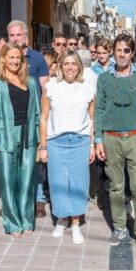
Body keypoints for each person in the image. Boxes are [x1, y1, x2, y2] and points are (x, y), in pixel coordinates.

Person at [94, 34, 136, 253]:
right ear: (113, 51)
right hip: (111, 138)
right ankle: (119, 228)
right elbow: (99, 110)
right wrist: (98, 140)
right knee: (116, 186)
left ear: (132, 52)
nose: (122, 54)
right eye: (118, 50)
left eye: (126, 50)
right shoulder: (103, 78)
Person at [0, 20, 49, 218]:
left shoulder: (38, 58)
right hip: (9, 124)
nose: (16, 38)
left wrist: (41, 119)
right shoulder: (0, 59)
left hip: (30, 120)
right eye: (12, 35)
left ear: (26, 36)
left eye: (19, 35)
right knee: (10, 166)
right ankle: (11, 203)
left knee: (33, 164)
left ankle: (38, 199)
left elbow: (44, 91)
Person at [39, 52, 95, 244]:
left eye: (74, 64)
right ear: (61, 66)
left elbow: (92, 118)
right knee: (58, 182)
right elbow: (44, 118)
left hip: (80, 140)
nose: (70, 67)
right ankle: (62, 219)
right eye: (66, 64)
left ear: (79, 67)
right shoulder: (51, 87)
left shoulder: (87, 88)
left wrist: (91, 145)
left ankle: (76, 223)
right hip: (56, 141)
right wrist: (43, 146)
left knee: (79, 183)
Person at [0, 42, 41, 237]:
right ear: (3, 59)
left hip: (29, 137)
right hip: (6, 135)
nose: (15, 61)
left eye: (18, 57)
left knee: (27, 180)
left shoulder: (32, 81)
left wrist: (41, 141)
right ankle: (12, 222)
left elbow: (38, 112)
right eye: (11, 57)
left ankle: (26, 219)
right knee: (8, 181)